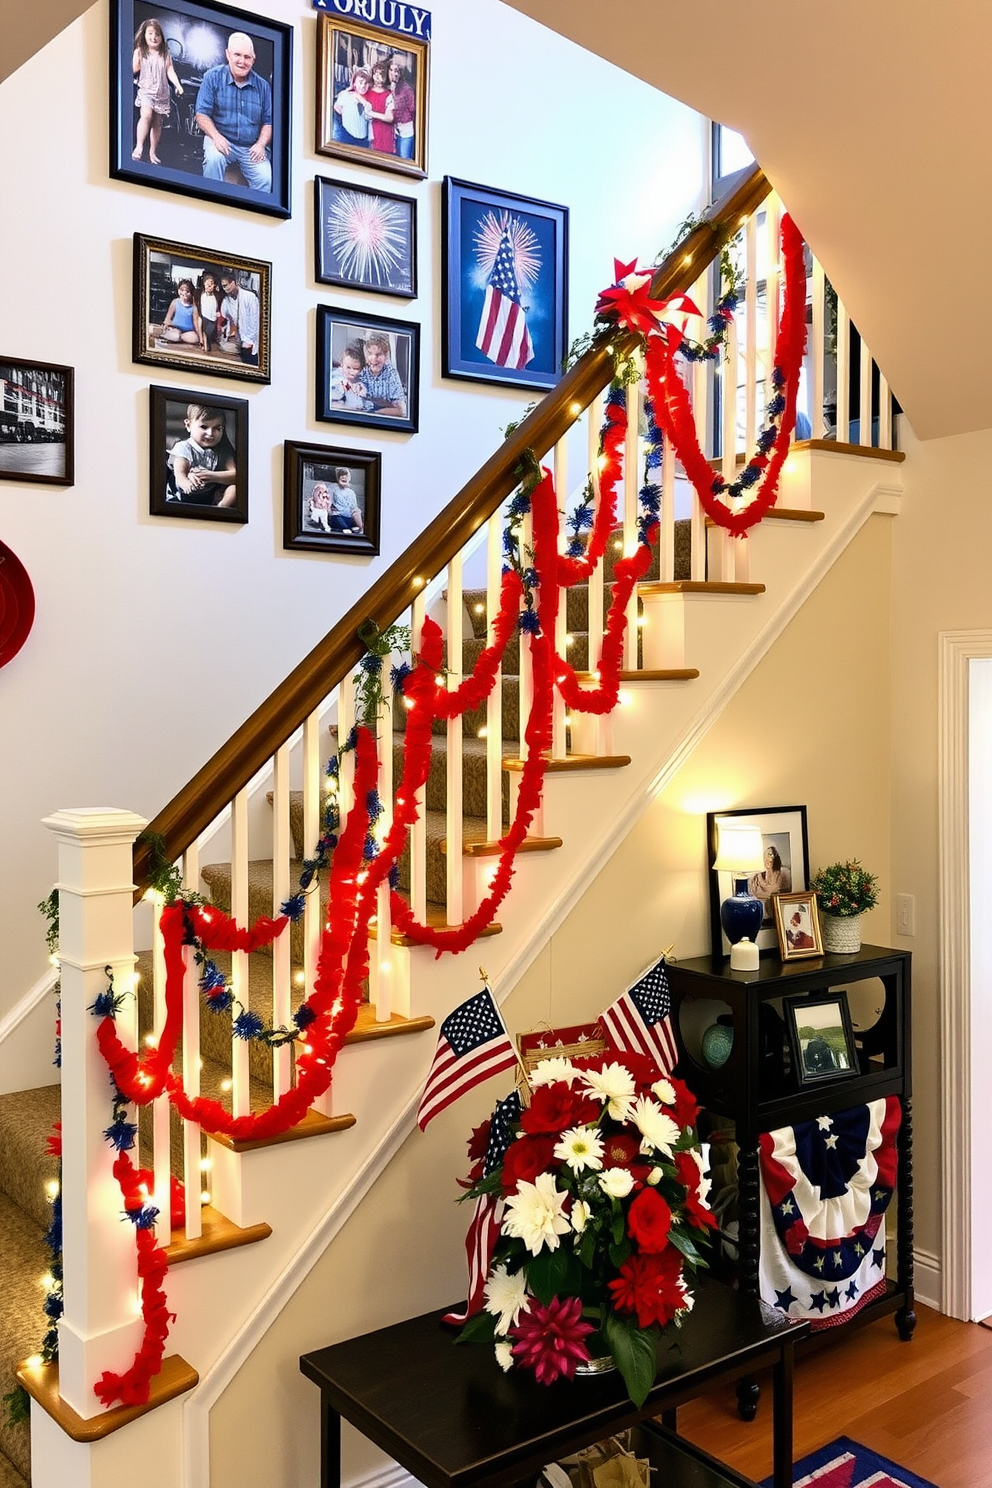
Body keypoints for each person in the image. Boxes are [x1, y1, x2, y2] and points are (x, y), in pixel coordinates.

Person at [194, 31, 272, 192]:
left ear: (253, 59)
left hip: (251, 146)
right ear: (228, 54)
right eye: (237, 55)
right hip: (219, 138)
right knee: (214, 160)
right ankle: (210, 203)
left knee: (266, 178)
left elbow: (268, 122)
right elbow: (201, 114)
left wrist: (260, 144)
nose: (242, 61)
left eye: (247, 57)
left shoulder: (263, 86)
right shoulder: (212, 77)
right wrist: (216, 137)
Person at [132, 18, 184, 165]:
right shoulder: (140, 51)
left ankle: (152, 152)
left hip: (161, 92)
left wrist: (177, 85)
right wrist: (136, 63)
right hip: (146, 90)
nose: (154, 37)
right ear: (144, 35)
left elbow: (170, 70)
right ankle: (139, 146)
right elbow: (133, 69)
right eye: (150, 34)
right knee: (146, 115)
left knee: (157, 123)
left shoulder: (165, 54)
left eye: (157, 34)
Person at [167, 404, 237, 507]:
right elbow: (179, 474)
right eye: (204, 427)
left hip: (209, 497)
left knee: (234, 488)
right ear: (188, 425)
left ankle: (221, 508)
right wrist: (187, 483)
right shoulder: (184, 447)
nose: (210, 433)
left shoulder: (222, 451)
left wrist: (210, 476)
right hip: (183, 495)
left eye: (217, 428)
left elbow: (235, 475)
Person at [219, 271, 260, 367]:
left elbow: (255, 321)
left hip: (250, 340)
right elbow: (226, 317)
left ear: (234, 282)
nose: (225, 289)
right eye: (223, 286)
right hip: (238, 339)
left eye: (226, 285)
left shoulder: (250, 297)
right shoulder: (226, 300)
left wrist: (249, 341)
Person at [361, 332, 406, 416]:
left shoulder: (391, 372)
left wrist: (374, 413)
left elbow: (401, 410)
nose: (373, 359)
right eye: (370, 353)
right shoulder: (361, 370)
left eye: (378, 354)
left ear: (386, 356)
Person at [748, 844, 792, 919]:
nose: (768, 859)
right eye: (765, 856)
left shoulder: (783, 874)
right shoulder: (756, 878)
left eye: (770, 855)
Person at [333, 67, 373, 148]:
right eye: (360, 82)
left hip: (363, 140)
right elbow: (337, 108)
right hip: (346, 136)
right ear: (354, 83)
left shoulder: (370, 99)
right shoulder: (345, 95)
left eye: (366, 83)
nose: (363, 86)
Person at [387, 54, 416, 161]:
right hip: (393, 130)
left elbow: (412, 109)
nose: (393, 74)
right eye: (391, 70)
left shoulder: (407, 89)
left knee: (404, 158)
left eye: (396, 71)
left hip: (406, 129)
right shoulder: (387, 87)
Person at [330, 342, 372, 411]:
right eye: (348, 367)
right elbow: (329, 404)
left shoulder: (363, 380)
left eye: (356, 369)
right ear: (342, 364)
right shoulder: (336, 379)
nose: (351, 372)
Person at [366, 60, 395, 154]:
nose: (378, 76)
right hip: (372, 132)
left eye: (381, 73)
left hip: (386, 132)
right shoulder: (367, 92)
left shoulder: (389, 94)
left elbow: (390, 118)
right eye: (376, 73)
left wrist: (372, 114)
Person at [160, 279, 202, 346]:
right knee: (176, 335)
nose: (184, 294)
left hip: (188, 332)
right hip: (175, 329)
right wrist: (169, 325)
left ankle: (180, 338)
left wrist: (200, 338)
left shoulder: (194, 307)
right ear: (178, 290)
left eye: (187, 292)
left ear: (191, 293)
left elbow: (196, 324)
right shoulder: (175, 302)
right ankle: (176, 337)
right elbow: (167, 319)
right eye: (181, 290)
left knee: (195, 338)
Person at [327, 468, 363, 533]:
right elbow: (328, 504)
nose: (344, 477)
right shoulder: (332, 489)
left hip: (349, 517)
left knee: (357, 511)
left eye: (346, 476)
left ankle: (361, 529)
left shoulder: (351, 492)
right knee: (339, 521)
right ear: (338, 478)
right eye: (341, 475)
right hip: (337, 516)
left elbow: (354, 508)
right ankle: (345, 529)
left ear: (349, 479)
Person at [197, 270, 221, 353]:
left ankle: (208, 345)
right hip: (205, 316)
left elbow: (220, 306)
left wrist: (218, 313)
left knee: (210, 332)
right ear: (204, 284)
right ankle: (205, 346)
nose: (209, 285)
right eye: (207, 283)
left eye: (211, 283)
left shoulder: (217, 295)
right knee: (206, 332)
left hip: (214, 317)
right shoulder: (201, 295)